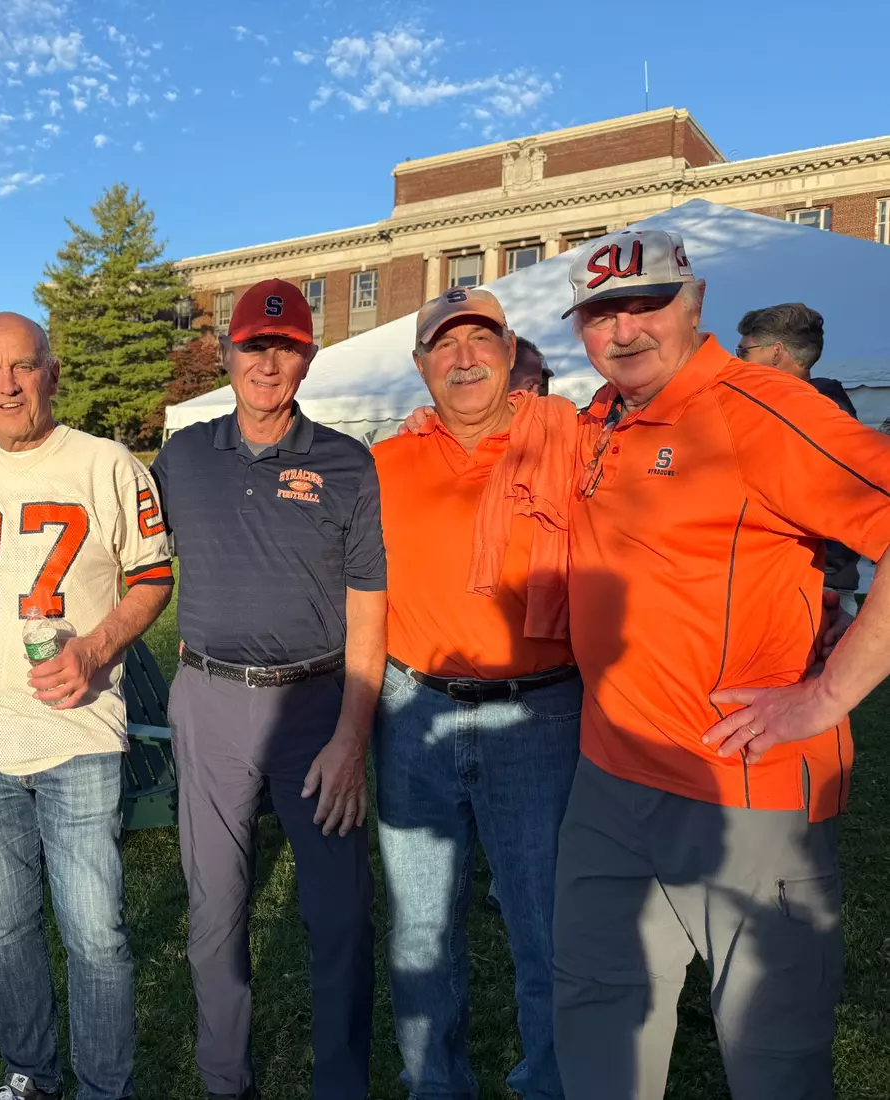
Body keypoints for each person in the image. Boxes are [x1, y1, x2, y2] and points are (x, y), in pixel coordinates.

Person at [554, 230, 890, 1099]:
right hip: (608, 780)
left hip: (745, 788)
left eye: (646, 305)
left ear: (693, 303)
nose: (623, 332)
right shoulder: (596, 419)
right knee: (599, 1035)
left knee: (771, 1061)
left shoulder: (758, 408)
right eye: (601, 315)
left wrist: (826, 695)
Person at [0, 312, 173, 1100]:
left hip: (78, 733)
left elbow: (153, 575)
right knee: (4, 931)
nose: (7, 385)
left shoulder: (107, 465)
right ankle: (29, 1072)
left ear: (51, 374)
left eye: (23, 367)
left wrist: (96, 651)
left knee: (95, 935)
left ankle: (105, 1087)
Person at [151, 279, 387, 1100]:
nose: (268, 361)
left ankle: (341, 1085)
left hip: (315, 710)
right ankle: (225, 1081)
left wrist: (352, 739)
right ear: (227, 354)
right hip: (208, 701)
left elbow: (369, 611)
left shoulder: (346, 463)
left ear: (308, 359)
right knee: (215, 910)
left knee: (340, 915)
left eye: (284, 348)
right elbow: (136, 561)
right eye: (254, 345)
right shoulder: (182, 456)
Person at [371, 287, 580, 1100]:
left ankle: (549, 1085)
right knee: (421, 929)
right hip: (411, 709)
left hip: (539, 715)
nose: (462, 359)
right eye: (443, 346)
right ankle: (434, 1086)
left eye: (479, 341)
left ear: (509, 351)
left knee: (545, 929)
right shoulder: (383, 463)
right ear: (421, 364)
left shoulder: (569, 444)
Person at [737, 303, 862, 611]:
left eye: (744, 353)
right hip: (785, 581)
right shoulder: (788, 408)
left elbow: (841, 501)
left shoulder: (819, 413)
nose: (737, 363)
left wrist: (828, 578)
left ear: (776, 352)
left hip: (813, 587)